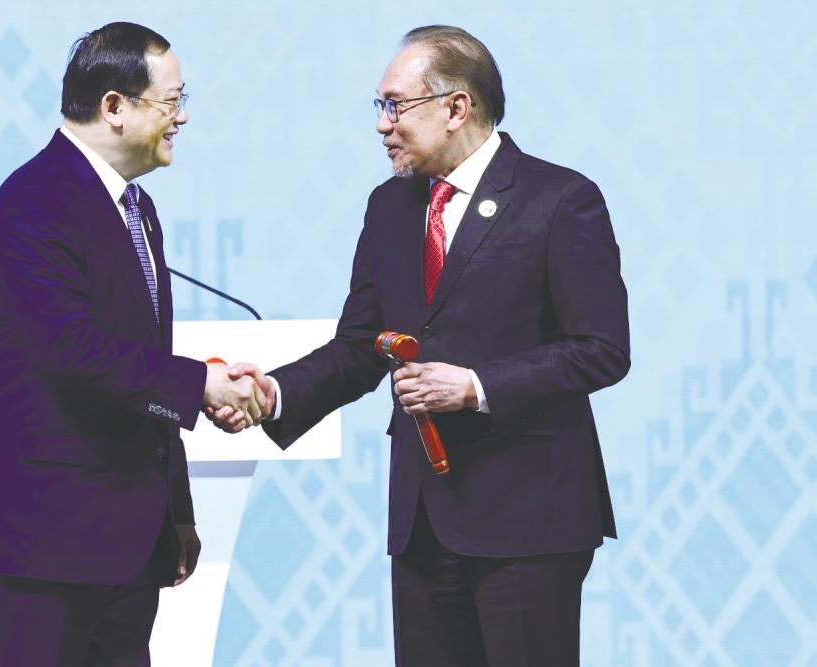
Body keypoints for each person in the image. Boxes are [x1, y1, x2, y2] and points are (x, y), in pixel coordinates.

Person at [210, 25, 630, 666]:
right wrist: (273, 392)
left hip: (529, 518)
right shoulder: (390, 206)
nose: (383, 124)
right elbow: (360, 345)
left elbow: (601, 347)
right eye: (380, 106)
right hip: (423, 521)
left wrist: (476, 386)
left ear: (456, 107)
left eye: (395, 105)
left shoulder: (561, 200)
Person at [0, 22, 265, 666]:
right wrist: (199, 384)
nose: (183, 118)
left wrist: (177, 510)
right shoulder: (34, 198)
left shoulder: (136, 208)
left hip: (124, 544)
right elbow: (70, 351)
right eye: (171, 102)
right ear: (114, 106)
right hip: (39, 543)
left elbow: (135, 369)